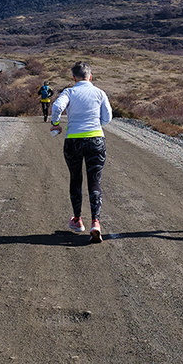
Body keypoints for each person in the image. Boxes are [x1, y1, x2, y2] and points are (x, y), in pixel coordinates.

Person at [50, 61, 113, 243]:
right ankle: (96, 222)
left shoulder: (69, 92)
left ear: (74, 77)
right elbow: (107, 118)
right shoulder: (100, 93)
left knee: (75, 178)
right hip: (96, 140)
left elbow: (56, 107)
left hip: (74, 140)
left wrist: (55, 123)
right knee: (95, 180)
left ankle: (77, 219)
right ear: (90, 76)